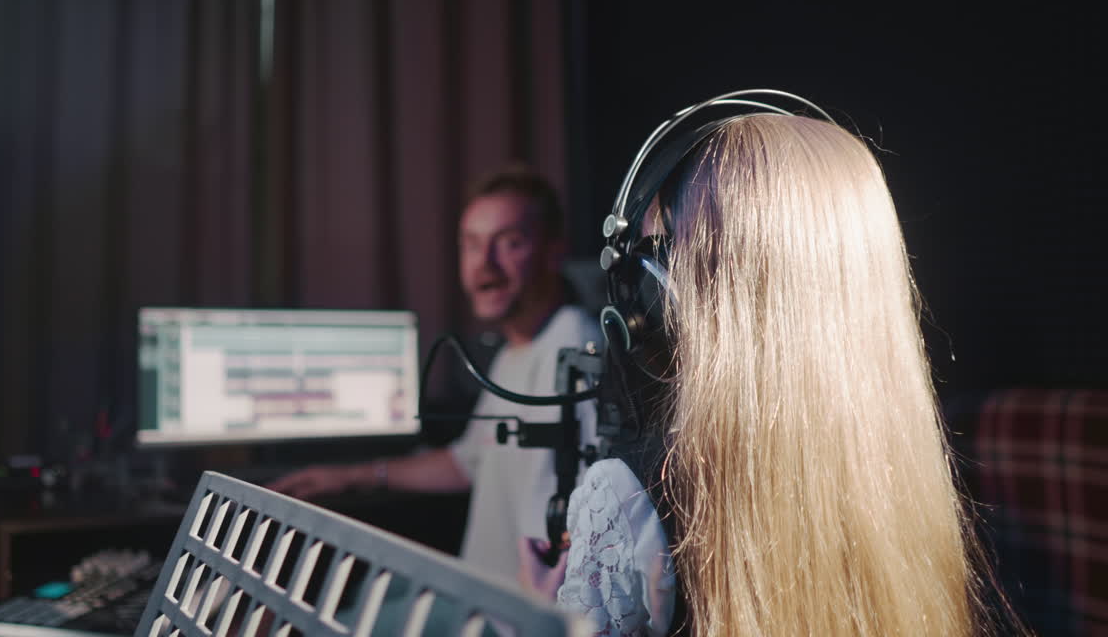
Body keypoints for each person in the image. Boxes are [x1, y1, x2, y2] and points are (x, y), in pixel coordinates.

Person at [521, 111, 1017, 636]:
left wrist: (544, 612)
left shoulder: (625, 497)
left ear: (665, 294)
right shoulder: (913, 479)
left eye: (654, 260)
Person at [268, 165, 601, 586]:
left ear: (553, 253)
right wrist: (352, 476)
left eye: (510, 243)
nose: (485, 265)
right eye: (472, 245)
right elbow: (469, 462)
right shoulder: (514, 350)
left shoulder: (571, 346)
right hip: (477, 599)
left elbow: (559, 532)